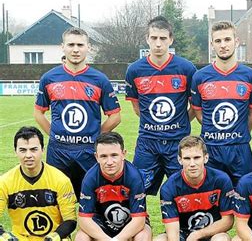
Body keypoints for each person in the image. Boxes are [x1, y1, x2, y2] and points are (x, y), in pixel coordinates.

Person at [34, 27, 121, 199]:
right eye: (71, 44)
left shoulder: (99, 80)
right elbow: (38, 113)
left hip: (88, 152)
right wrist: (55, 135)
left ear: (88, 47)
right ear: (62, 47)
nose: (75, 49)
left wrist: (96, 136)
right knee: (55, 202)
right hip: (58, 152)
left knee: (92, 202)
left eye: (80, 45)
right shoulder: (49, 78)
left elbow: (115, 116)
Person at [125, 16, 197, 195]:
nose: (158, 43)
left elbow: (195, 106)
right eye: (154, 38)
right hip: (148, 142)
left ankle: (184, 224)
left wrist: (178, 121)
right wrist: (157, 124)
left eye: (163, 38)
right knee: (136, 189)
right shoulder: (134, 70)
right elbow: (137, 108)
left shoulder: (187, 69)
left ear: (171, 39)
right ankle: (142, 224)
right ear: (147, 39)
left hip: (178, 142)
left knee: (184, 191)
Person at [191, 21, 252, 185]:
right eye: (218, 41)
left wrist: (237, 133)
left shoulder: (251, 77)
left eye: (227, 40)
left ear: (236, 41)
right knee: (212, 202)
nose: (223, 45)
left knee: (244, 199)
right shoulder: (200, 77)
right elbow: (200, 113)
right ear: (212, 44)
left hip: (240, 149)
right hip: (211, 149)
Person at [0, 126, 77, 241]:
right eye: (23, 150)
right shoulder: (4, 182)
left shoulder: (60, 180)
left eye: (33, 149)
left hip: (53, 237)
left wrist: (54, 237)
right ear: (15, 151)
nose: (28, 155)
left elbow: (70, 220)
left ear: (42, 149)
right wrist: (5, 237)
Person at [76, 132, 151, 241]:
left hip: (130, 221)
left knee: (143, 236)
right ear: (96, 157)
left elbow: (139, 220)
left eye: (114, 155)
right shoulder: (90, 178)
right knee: (81, 237)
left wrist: (116, 239)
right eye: (104, 156)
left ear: (123, 154)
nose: (109, 162)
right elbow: (84, 219)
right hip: (101, 221)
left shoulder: (134, 176)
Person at [156, 136, 234, 241]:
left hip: (211, 232)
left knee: (222, 238)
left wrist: (198, 234)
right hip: (182, 233)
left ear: (206, 158)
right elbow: (172, 230)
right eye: (187, 158)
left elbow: (228, 221)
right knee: (160, 239)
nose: (192, 164)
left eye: (197, 158)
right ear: (180, 160)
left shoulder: (221, 179)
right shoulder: (169, 187)